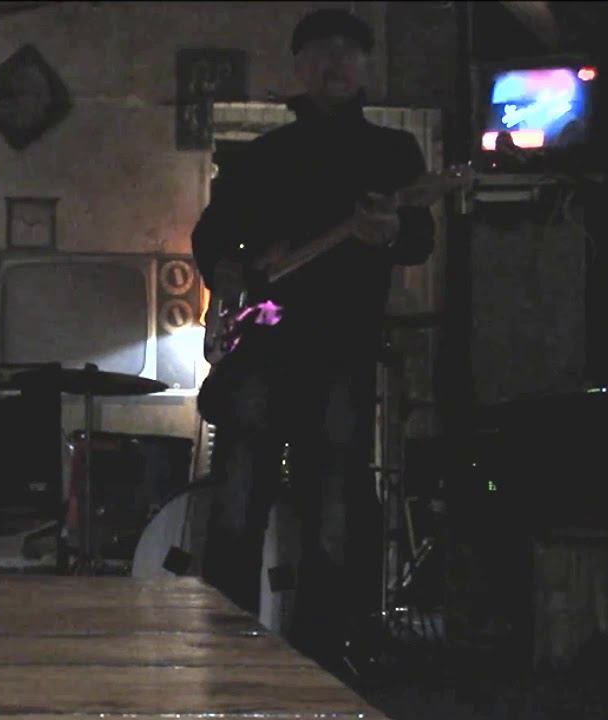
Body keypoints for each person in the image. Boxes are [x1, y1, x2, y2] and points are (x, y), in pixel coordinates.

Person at [190, 9, 436, 672]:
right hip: (262, 349)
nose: (337, 62)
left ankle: (318, 661)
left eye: (350, 51)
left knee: (333, 504)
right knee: (237, 499)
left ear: (365, 67)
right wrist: (230, 268)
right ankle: (225, 656)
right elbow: (213, 233)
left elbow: (419, 237)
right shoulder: (264, 155)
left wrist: (389, 232)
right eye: (323, 51)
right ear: (299, 66)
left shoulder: (392, 154)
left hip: (341, 351)